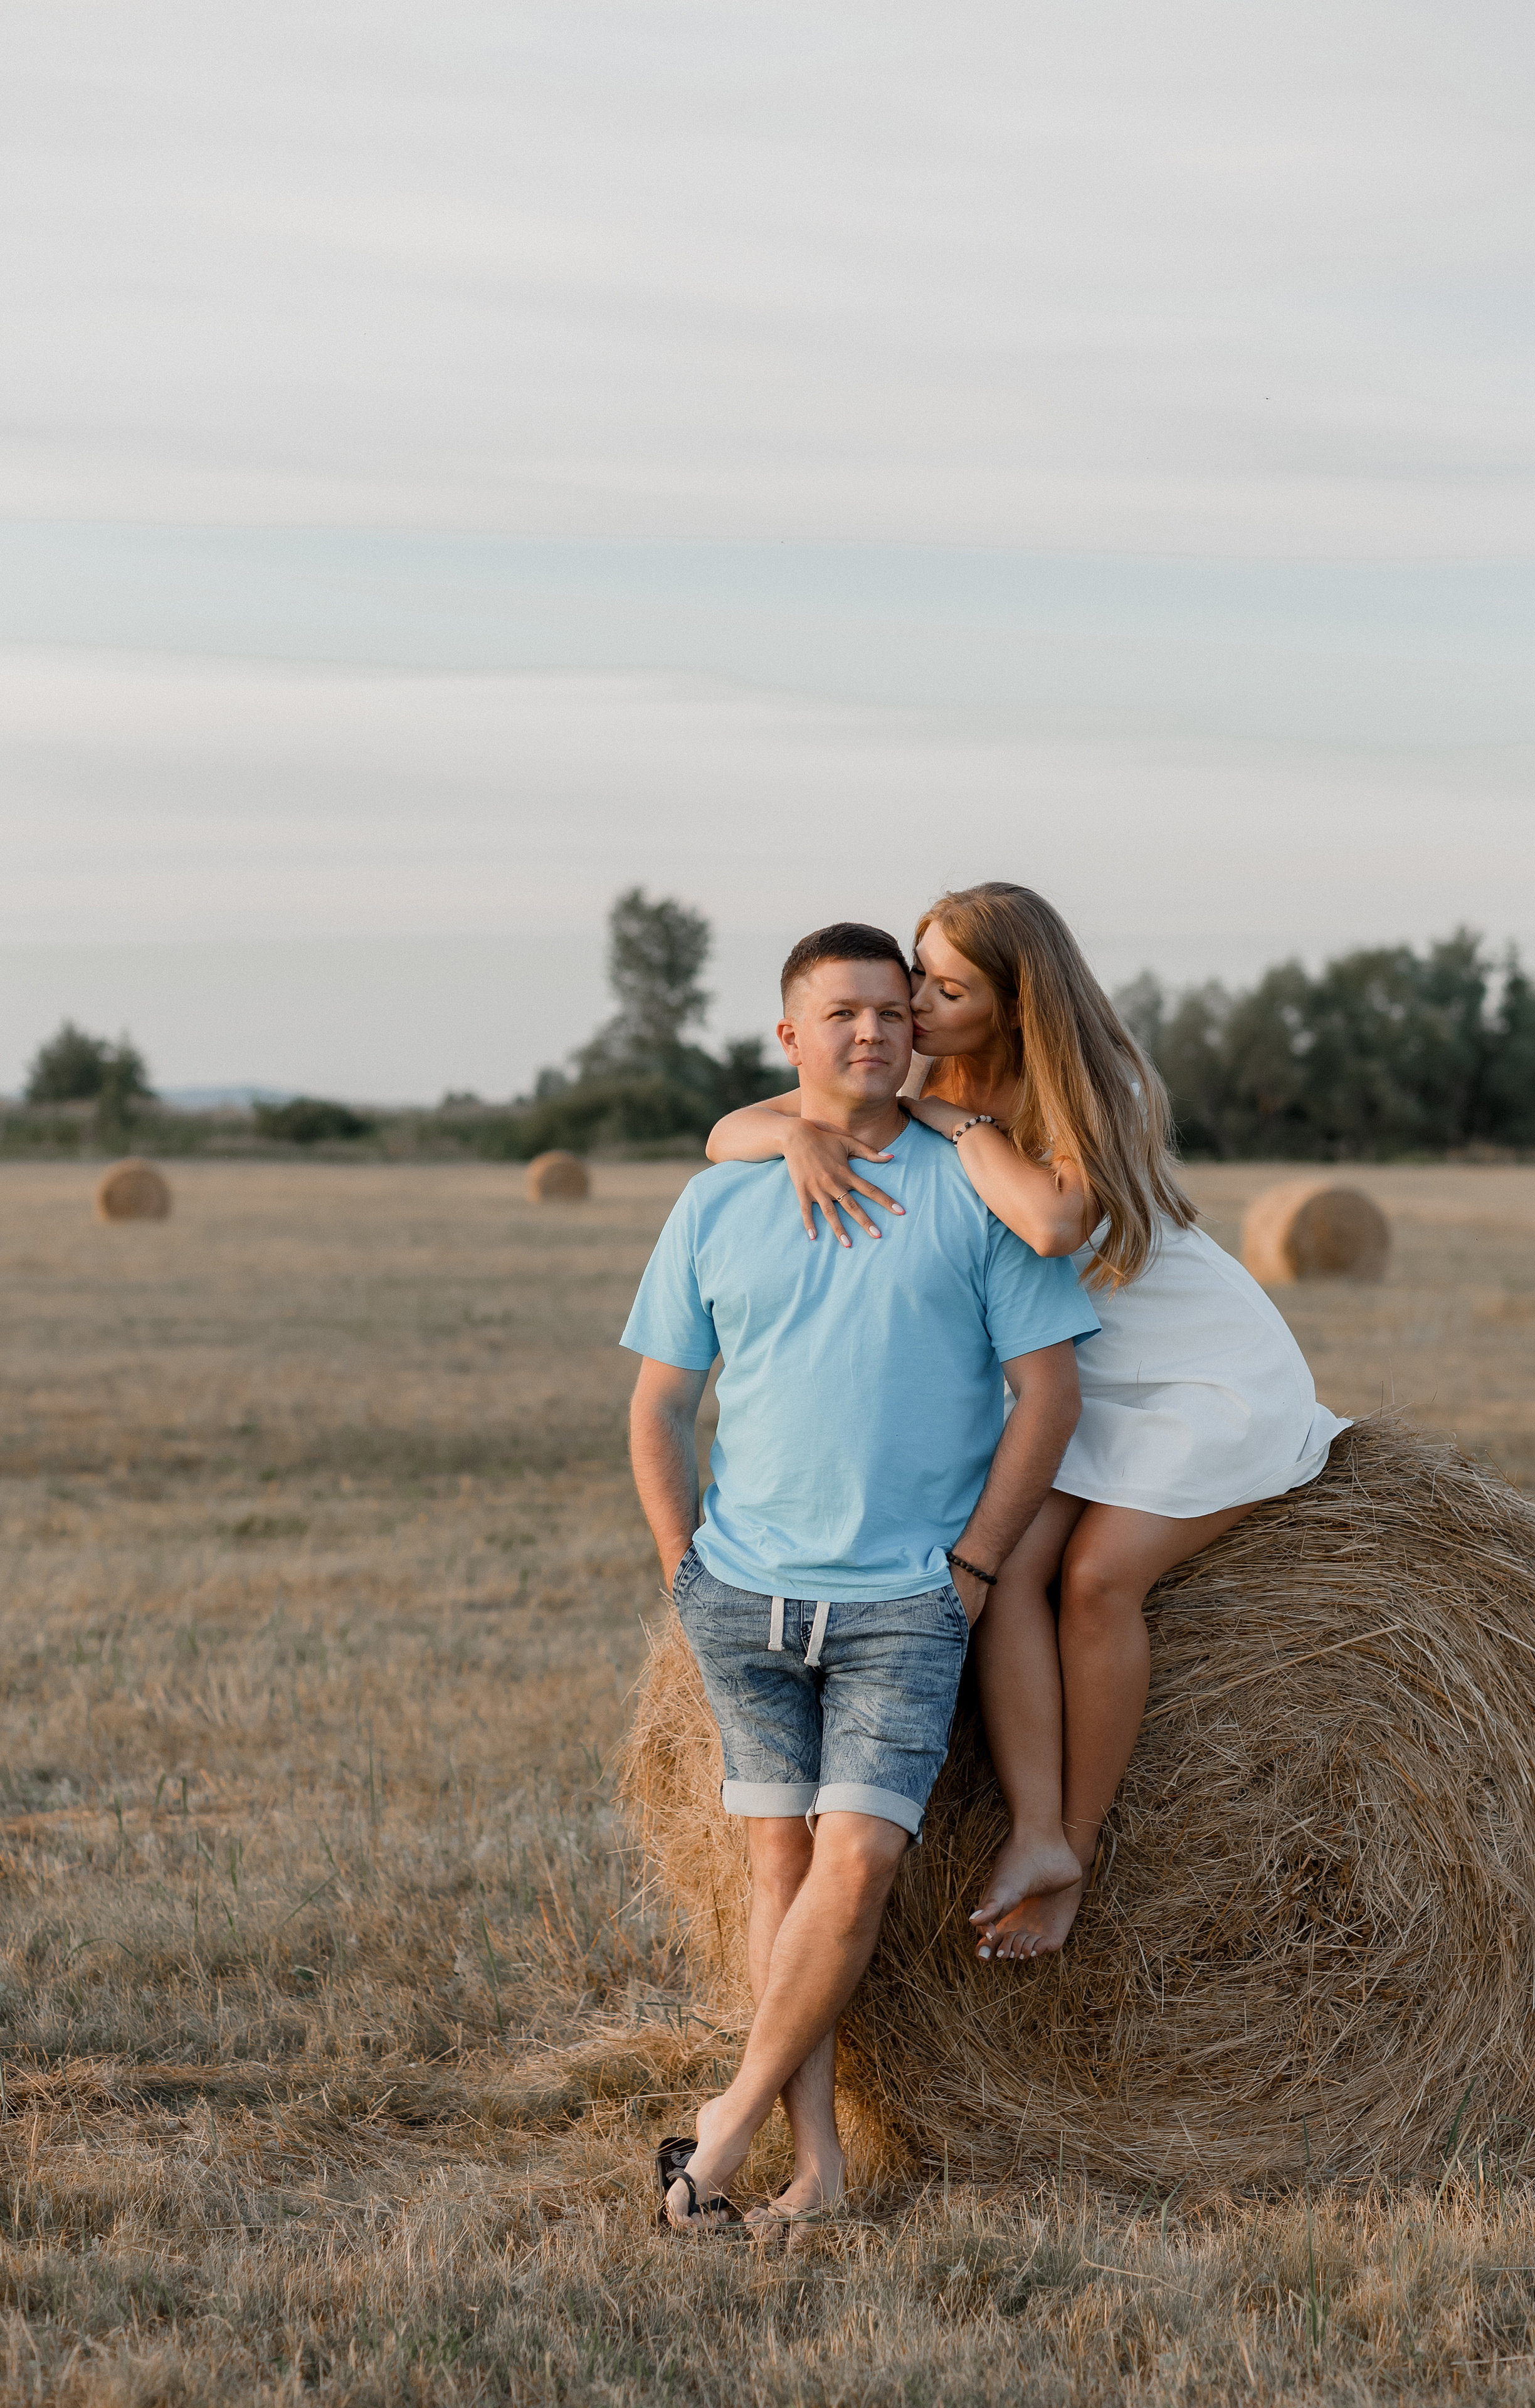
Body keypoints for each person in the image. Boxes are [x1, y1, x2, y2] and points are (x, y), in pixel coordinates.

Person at [707, 881, 1349, 1965]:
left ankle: (1076, 1846)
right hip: (1074, 1383)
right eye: (917, 970)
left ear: (1014, 1004)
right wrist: (798, 1141)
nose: (912, 1001)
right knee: (996, 1575)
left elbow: (1054, 1224)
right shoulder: (916, 1059)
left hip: (1195, 1379)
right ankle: (1033, 1831)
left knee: (1096, 1581)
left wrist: (954, 1122)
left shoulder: (1108, 1085)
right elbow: (730, 1132)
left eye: (945, 987)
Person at [623, 919, 1099, 2232]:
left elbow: (1045, 1398)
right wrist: (683, 1570)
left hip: (905, 1601)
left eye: (893, 1012)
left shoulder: (972, 1191)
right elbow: (660, 1405)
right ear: (791, 1039)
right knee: (779, 1878)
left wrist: (972, 1566)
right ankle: (816, 2164)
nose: (874, 1032)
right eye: (842, 1014)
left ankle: (715, 2137)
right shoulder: (719, 1196)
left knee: (859, 1865)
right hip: (741, 1595)